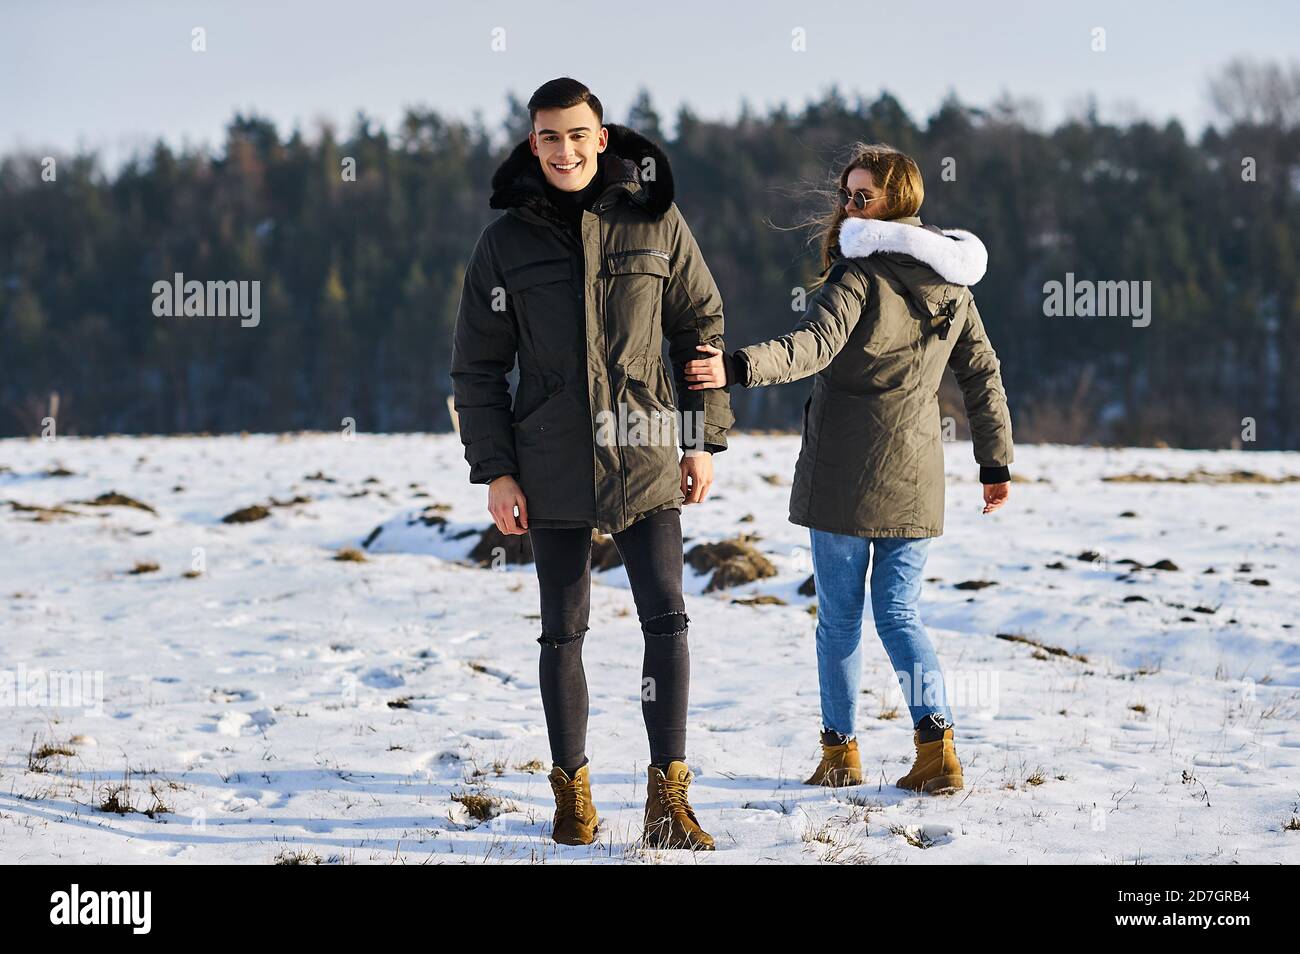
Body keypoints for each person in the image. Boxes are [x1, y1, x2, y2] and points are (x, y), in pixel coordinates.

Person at [451, 78, 733, 848]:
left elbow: (698, 328)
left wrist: (700, 437)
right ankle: (572, 794)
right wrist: (497, 472)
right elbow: (476, 370)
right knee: (562, 631)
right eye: (548, 137)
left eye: (577, 135)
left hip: (644, 452)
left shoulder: (655, 222)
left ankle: (667, 802)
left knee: (668, 618)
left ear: (601, 138)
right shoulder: (505, 243)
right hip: (550, 464)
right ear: (531, 143)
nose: (564, 150)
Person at [685, 143, 1013, 794]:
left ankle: (840, 756)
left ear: (899, 202)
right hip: (917, 467)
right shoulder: (954, 281)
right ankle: (938, 751)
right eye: (846, 194)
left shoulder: (857, 275)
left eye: (862, 197)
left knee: (841, 618)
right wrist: (994, 459)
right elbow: (982, 372)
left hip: (843, 468)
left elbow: (812, 347)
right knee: (899, 612)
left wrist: (738, 365)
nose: (847, 206)